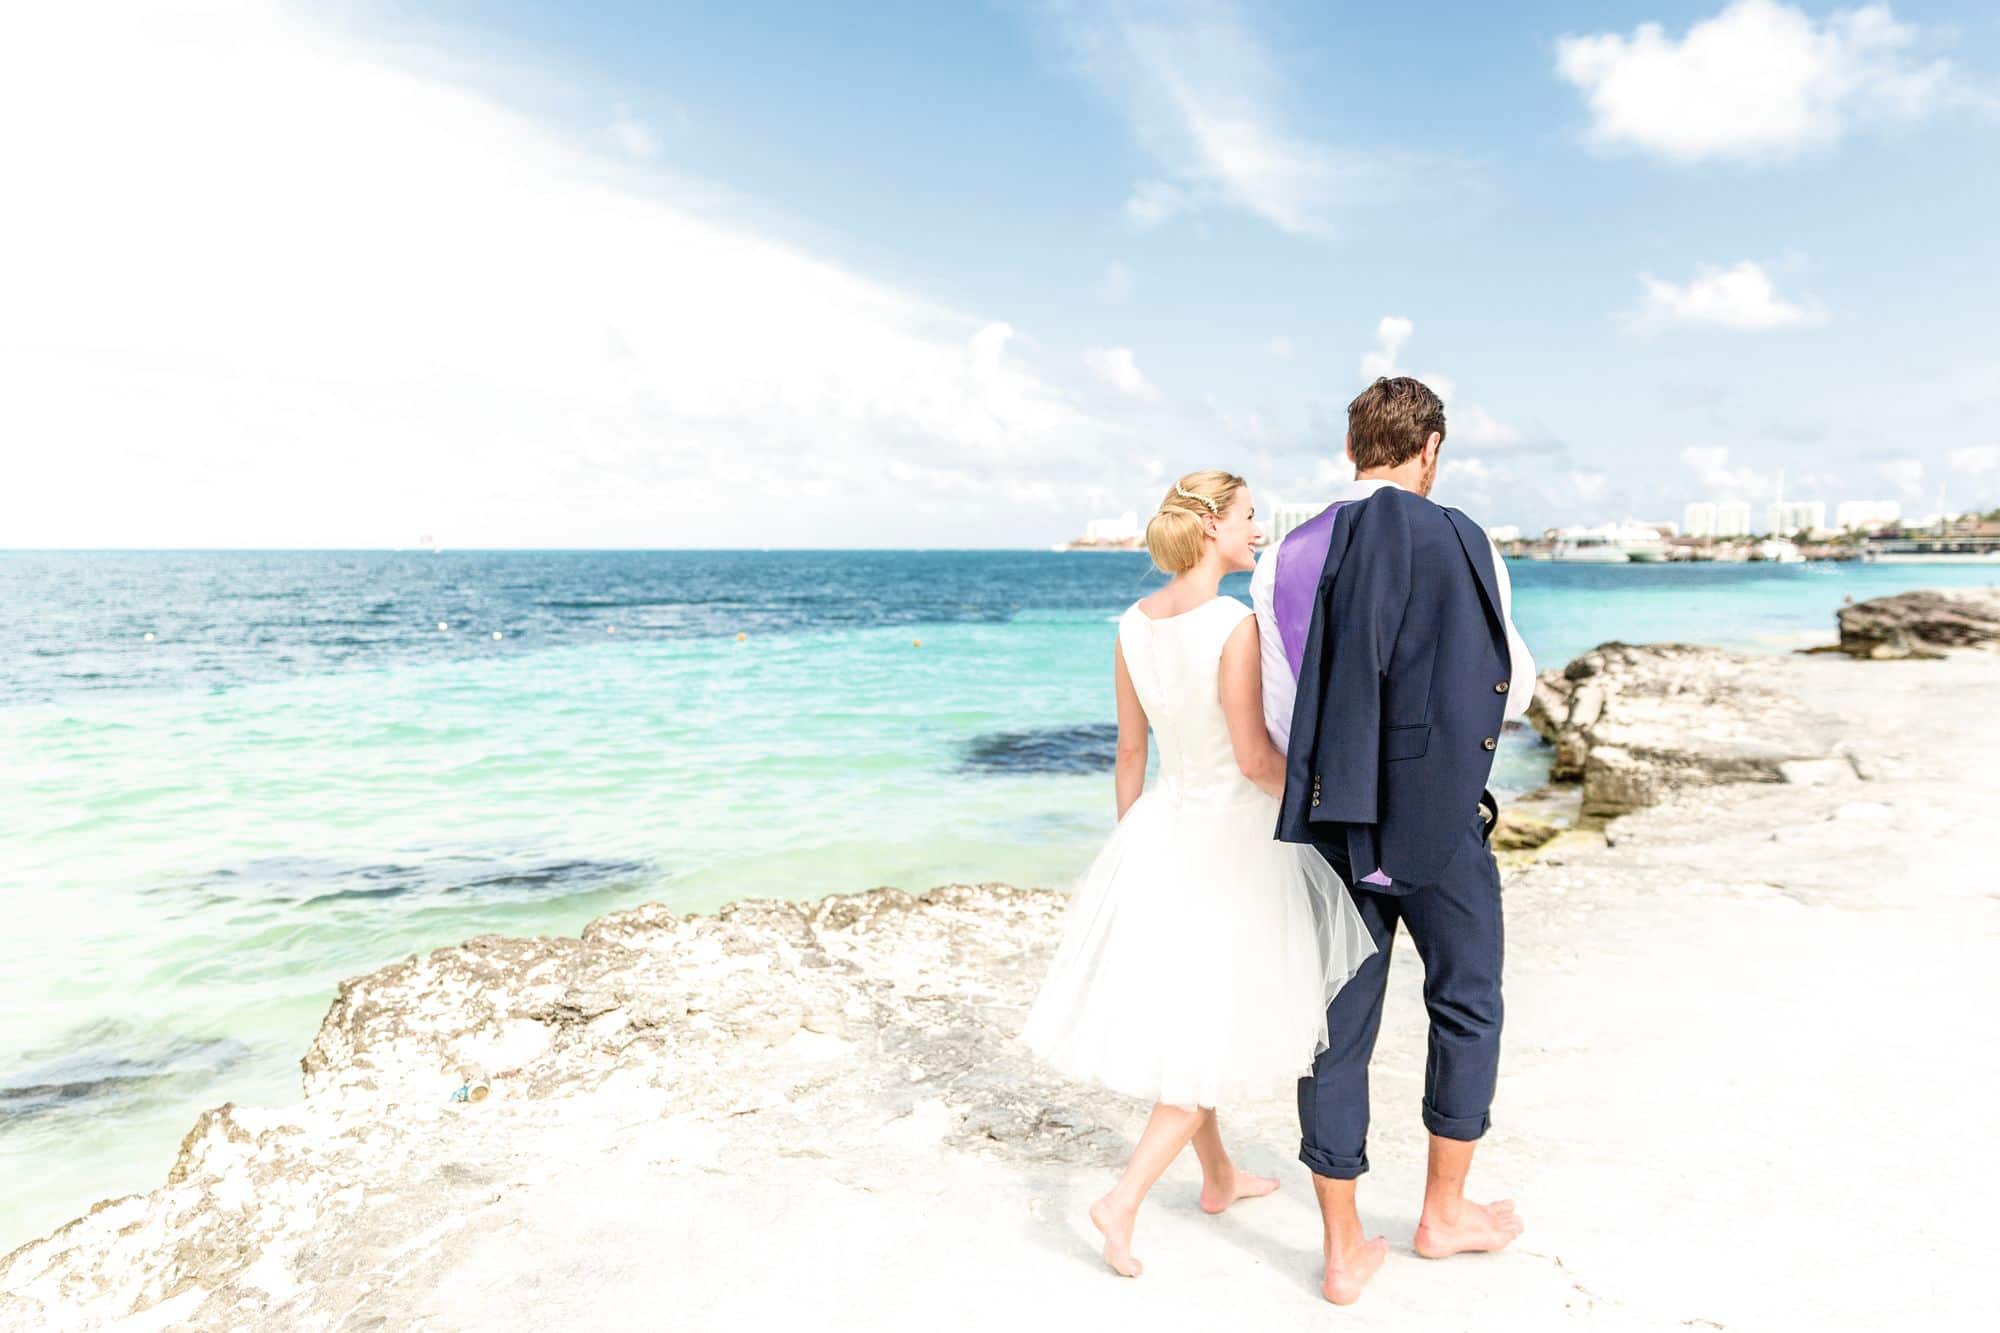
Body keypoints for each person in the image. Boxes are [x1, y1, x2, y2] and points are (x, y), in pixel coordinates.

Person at [1020, 469, 1375, 1279]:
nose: (1259, 530)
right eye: (1250, 517)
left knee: (1192, 1014)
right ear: (1213, 525)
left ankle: (1218, 1177)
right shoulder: (1231, 624)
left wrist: (1131, 849)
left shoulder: (1132, 624)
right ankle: (1122, 1200)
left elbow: (1130, 753)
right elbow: (1254, 759)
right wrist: (1327, 792)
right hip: (1231, 840)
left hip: (1163, 831)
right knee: (1213, 1024)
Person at [1260, 376, 1536, 1304]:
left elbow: (1282, 704)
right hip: (1438, 812)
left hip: (1333, 818)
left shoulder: (1285, 555)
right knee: (1465, 998)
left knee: (1334, 1024)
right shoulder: (1463, 537)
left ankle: (1342, 1249)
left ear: (1350, 451)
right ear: (1432, 449)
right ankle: (1442, 1213)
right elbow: (1513, 682)